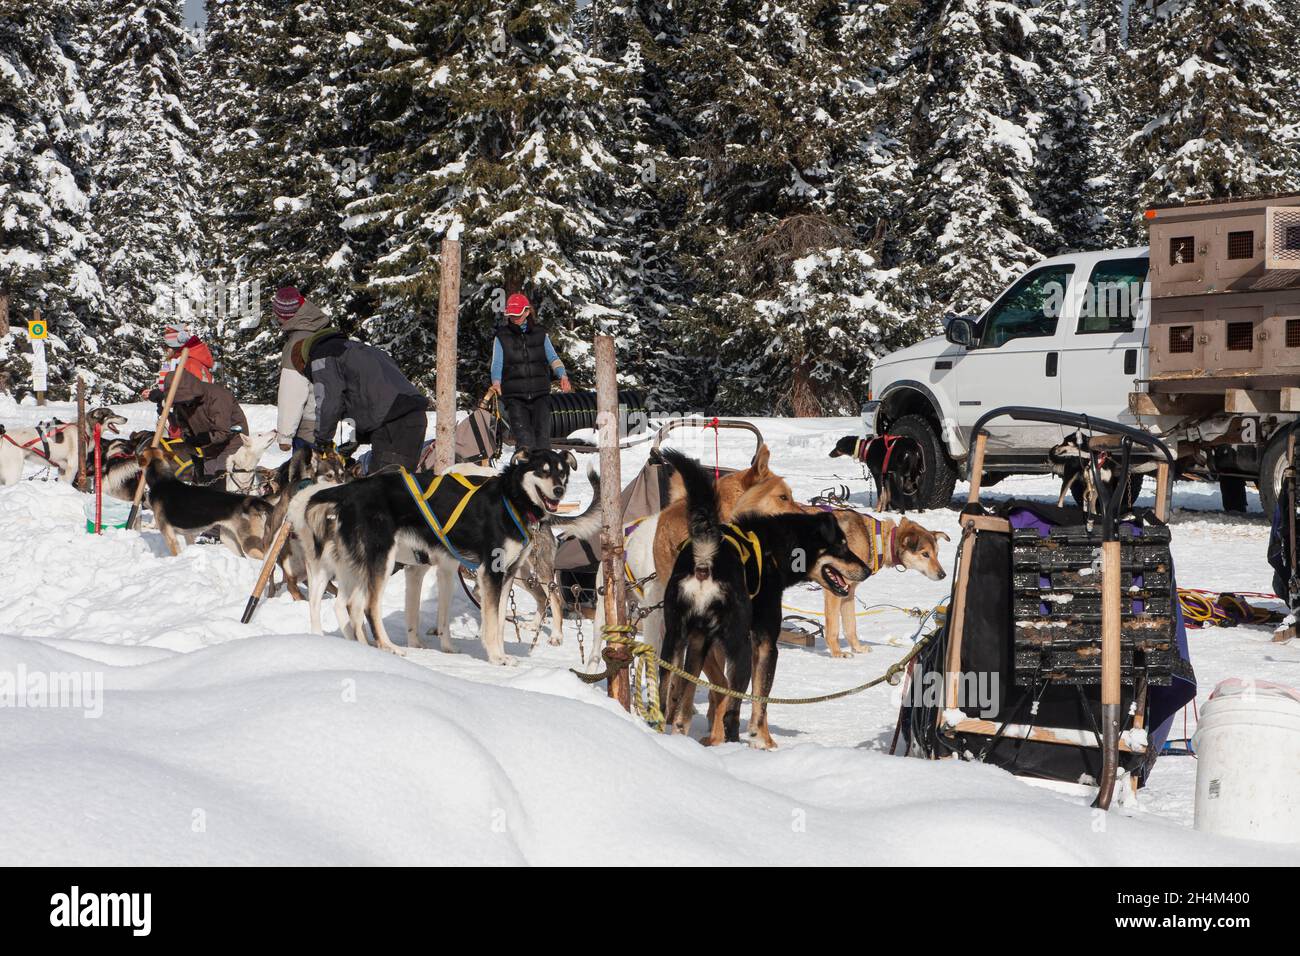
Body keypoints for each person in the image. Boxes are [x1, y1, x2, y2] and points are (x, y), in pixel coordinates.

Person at [292, 328, 429, 472]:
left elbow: (329, 404)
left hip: (393, 426)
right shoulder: (358, 350)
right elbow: (364, 401)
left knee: (383, 487)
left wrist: (321, 442)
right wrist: (351, 442)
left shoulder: (322, 356)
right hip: (413, 419)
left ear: (304, 363)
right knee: (400, 486)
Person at [490, 293, 571, 450]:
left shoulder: (540, 334)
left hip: (540, 395)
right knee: (525, 441)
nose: (515, 318)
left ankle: (542, 471)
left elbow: (553, 357)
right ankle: (524, 470)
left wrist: (563, 376)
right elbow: (497, 363)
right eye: (512, 315)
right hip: (515, 397)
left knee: (542, 441)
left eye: (518, 314)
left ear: (527, 312)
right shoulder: (502, 337)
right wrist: (496, 382)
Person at [156, 369, 249, 479]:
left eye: (186, 400)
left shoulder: (218, 397)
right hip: (210, 444)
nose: (185, 404)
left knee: (221, 472)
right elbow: (183, 424)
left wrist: (206, 438)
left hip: (233, 439)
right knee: (206, 473)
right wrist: (188, 437)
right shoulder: (182, 404)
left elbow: (224, 431)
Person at [270, 286, 330, 452]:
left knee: (305, 475)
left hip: (308, 426)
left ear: (283, 315)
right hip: (328, 417)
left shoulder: (297, 343)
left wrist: (285, 436)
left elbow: (292, 393)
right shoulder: (320, 330)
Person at [142, 323, 216, 440]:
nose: (165, 350)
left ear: (174, 346)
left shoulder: (189, 364)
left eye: (166, 346)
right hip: (185, 421)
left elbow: (191, 396)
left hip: (189, 425)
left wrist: (161, 397)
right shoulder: (188, 361)